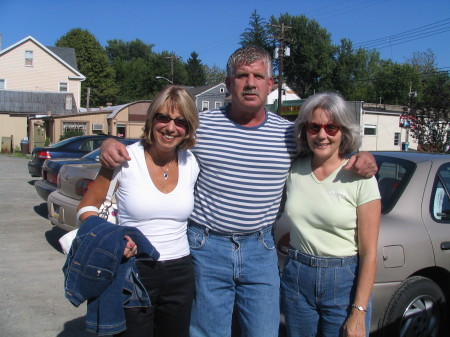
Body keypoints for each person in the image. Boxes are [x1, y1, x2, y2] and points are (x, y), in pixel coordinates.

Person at [99, 46, 378, 337]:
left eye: (259, 75)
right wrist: (107, 144)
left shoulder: (289, 135)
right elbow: (154, 141)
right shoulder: (200, 129)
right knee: (207, 332)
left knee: (263, 332)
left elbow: (331, 146)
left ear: (271, 84)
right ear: (229, 82)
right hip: (207, 247)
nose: (250, 82)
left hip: (260, 250)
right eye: (242, 75)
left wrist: (363, 156)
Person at [77, 85, 200, 337]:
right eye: (163, 117)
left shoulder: (191, 163)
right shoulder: (124, 159)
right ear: (151, 119)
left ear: (188, 128)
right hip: (133, 269)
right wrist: (112, 240)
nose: (170, 127)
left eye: (180, 121)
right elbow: (86, 208)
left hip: (180, 271)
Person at [281, 92, 381, 337]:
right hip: (297, 277)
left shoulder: (360, 177)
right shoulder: (293, 170)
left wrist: (358, 312)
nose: (322, 135)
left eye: (331, 127)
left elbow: (369, 253)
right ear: (305, 131)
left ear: (343, 131)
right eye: (314, 127)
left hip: (344, 281)